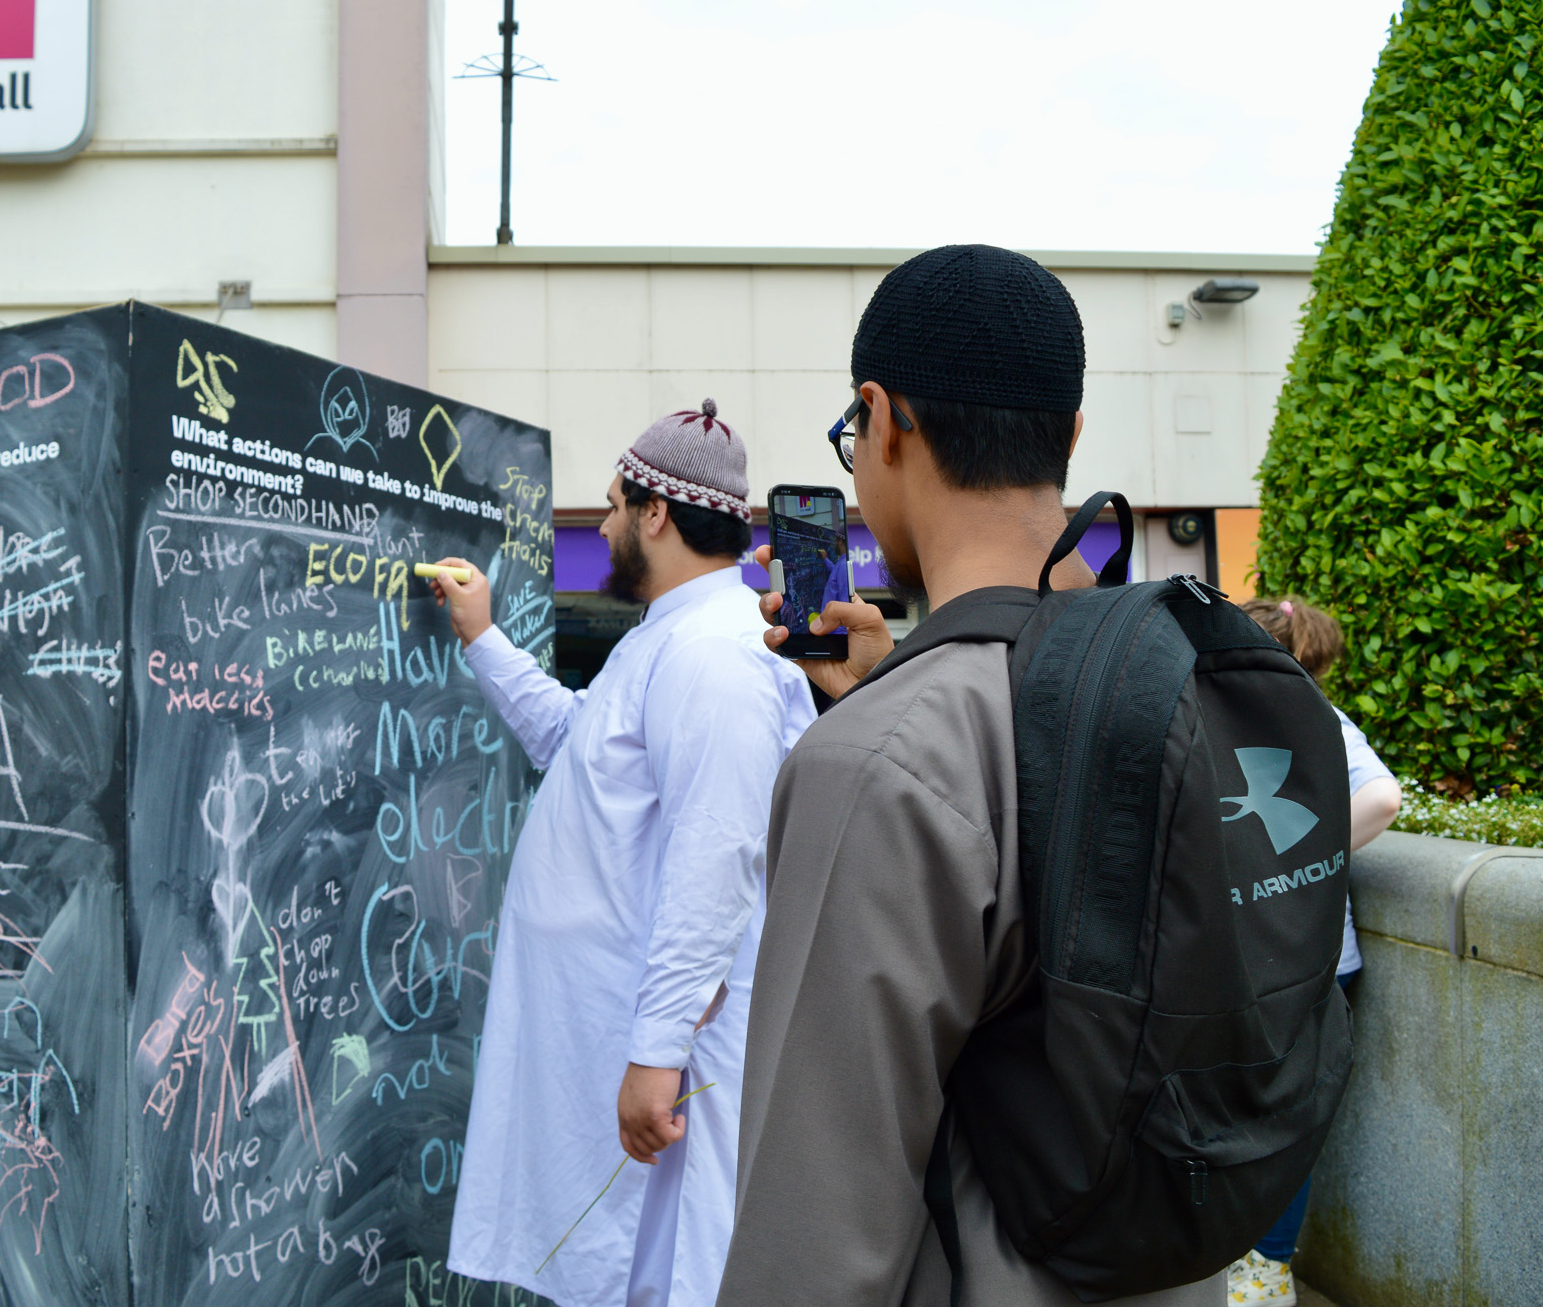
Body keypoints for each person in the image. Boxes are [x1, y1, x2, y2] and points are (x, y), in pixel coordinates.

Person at [716, 244, 1220, 1306]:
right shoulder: (1196, 685)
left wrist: (892, 716)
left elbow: (813, 1229)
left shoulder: (873, 764)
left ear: (879, 417)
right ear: (1070, 437)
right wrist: (893, 685)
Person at [435, 399, 816, 1307]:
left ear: (656, 513)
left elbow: (716, 857)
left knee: (679, 1272)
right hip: (620, 1038)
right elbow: (578, 745)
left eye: (612, 505)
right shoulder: (666, 639)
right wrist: (484, 640)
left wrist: (656, 1051)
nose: (601, 525)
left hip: (668, 1057)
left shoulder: (716, 655)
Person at [1226, 596, 1401, 1307]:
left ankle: (1266, 1271)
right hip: (1293, 960)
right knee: (1269, 1115)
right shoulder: (1285, 716)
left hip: (1299, 963)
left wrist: (1280, 859)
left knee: (1277, 1118)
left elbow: (1383, 798)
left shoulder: (1311, 719)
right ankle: (1253, 1265)